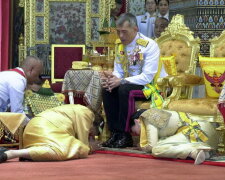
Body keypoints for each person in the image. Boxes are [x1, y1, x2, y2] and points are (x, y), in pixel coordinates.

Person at [100, 13, 167, 148]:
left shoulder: (149, 45)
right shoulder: (119, 45)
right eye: (118, 32)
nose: (121, 36)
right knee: (108, 89)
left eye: (124, 32)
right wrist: (112, 78)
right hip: (130, 83)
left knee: (125, 90)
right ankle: (115, 133)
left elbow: (147, 77)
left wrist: (121, 81)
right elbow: (118, 70)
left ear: (135, 29)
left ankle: (125, 135)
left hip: (151, 87)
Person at [0, 104, 104, 163]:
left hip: (35, 127)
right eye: (93, 133)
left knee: (64, 146)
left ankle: (27, 153)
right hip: (45, 127)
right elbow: (81, 146)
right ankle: (11, 154)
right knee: (66, 150)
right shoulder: (87, 113)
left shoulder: (76, 108)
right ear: (94, 124)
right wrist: (90, 147)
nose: (91, 135)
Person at [130, 108, 219, 165]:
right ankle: (205, 153)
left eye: (135, 131)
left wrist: (143, 147)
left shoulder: (147, 116)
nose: (138, 135)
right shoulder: (156, 112)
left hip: (198, 131)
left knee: (157, 149)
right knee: (162, 143)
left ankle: (193, 152)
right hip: (209, 135)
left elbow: (152, 145)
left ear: (137, 121)